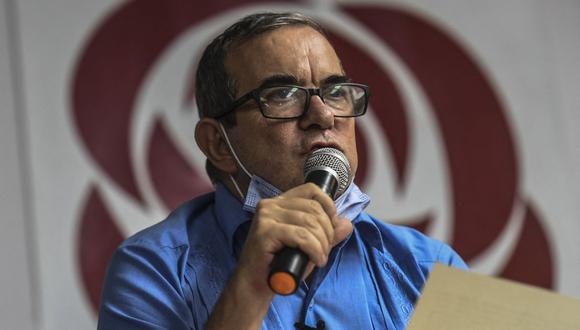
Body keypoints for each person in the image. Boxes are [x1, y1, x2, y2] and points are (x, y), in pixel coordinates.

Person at [98, 12, 467, 330]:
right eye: (282, 96)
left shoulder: (431, 268)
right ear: (219, 144)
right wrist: (250, 291)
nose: (323, 115)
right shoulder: (153, 270)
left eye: (335, 91)